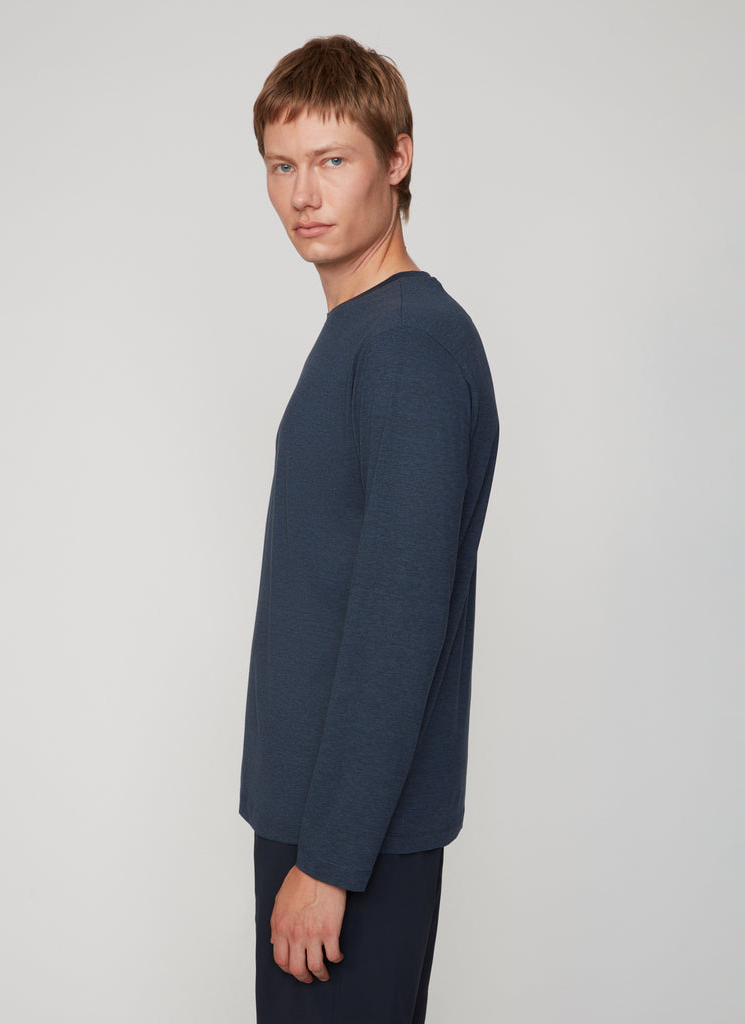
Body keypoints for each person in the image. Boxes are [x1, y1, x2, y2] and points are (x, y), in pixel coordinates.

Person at [240, 35, 499, 1023]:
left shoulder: (404, 349)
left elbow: (399, 621)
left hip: (351, 849)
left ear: (398, 158)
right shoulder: (366, 334)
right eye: (282, 165)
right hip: (319, 826)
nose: (304, 193)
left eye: (333, 160)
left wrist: (330, 860)